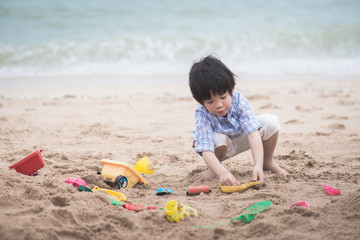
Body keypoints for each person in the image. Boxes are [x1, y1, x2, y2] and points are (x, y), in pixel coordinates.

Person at [189, 55, 288, 186]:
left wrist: (257, 164)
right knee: (217, 139)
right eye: (210, 101)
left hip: (241, 137)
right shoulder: (201, 113)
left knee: (270, 122)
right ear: (199, 100)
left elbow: (253, 133)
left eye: (223, 97)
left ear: (232, 89)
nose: (218, 105)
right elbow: (206, 148)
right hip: (219, 148)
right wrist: (222, 173)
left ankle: (266, 162)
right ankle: (215, 168)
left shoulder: (238, 100)